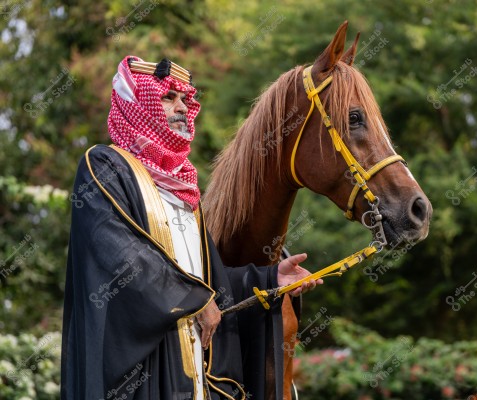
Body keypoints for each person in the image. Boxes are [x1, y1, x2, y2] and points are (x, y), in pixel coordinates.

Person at [60, 55, 321, 400]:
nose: (182, 106)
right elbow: (122, 256)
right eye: (168, 97)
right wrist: (194, 299)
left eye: (185, 99)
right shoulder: (105, 167)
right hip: (143, 374)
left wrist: (269, 279)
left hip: (196, 368)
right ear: (137, 102)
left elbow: (210, 281)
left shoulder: (184, 188)